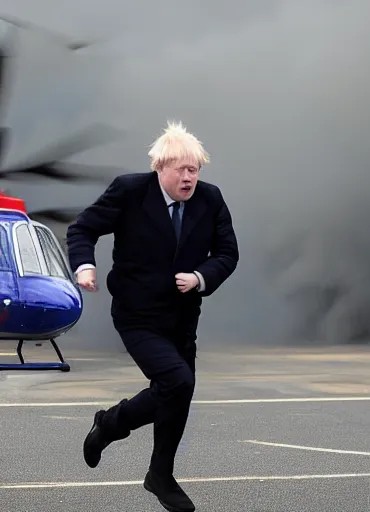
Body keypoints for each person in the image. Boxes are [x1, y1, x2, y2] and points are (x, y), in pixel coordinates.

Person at [66, 120, 239, 512]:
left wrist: (199, 277)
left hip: (181, 318)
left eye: (195, 169)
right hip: (137, 314)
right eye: (181, 169)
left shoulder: (210, 199)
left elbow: (228, 254)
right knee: (177, 381)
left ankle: (160, 474)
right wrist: (84, 267)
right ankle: (111, 423)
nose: (189, 177)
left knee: (180, 391)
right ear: (161, 167)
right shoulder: (130, 191)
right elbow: (83, 229)